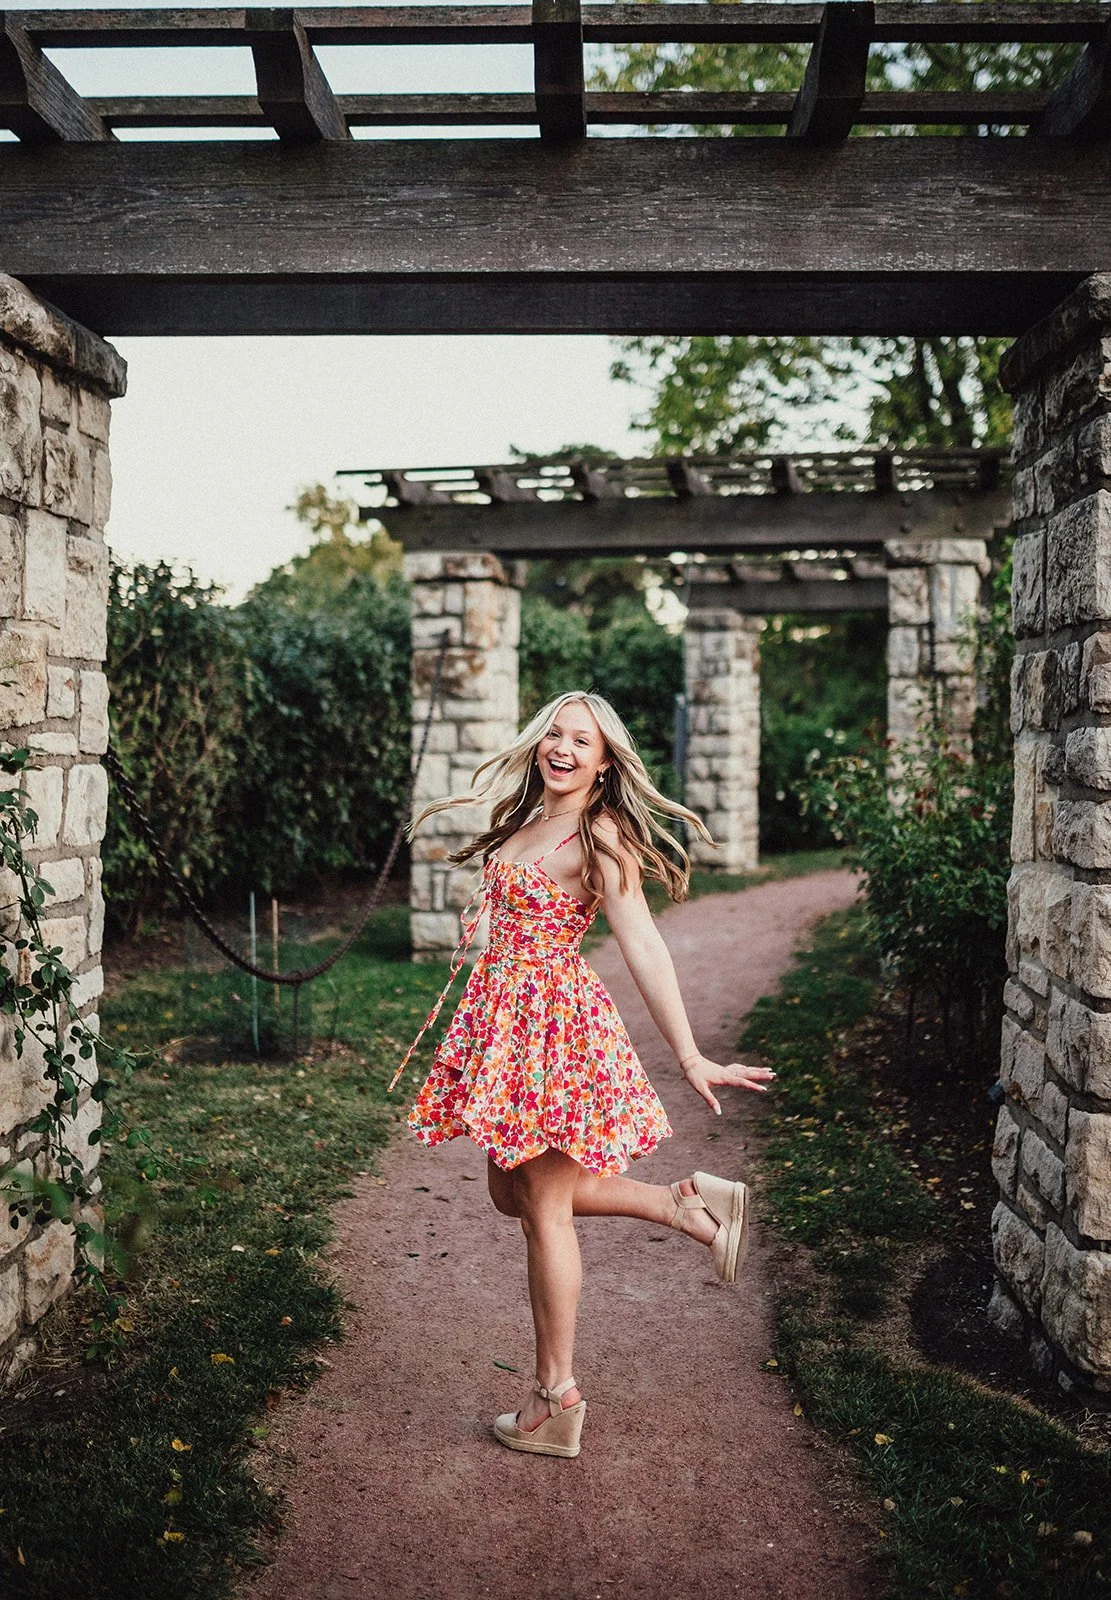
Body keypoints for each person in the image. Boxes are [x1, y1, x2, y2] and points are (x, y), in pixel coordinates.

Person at [391, 691, 774, 1459]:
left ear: (605, 766)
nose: (563, 748)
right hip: (505, 1022)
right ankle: (686, 1205)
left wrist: (691, 1055)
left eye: (582, 741)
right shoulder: (529, 819)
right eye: (555, 734)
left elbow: (643, 946)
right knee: (512, 1193)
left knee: (541, 1208)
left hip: (551, 1034)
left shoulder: (599, 836)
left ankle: (552, 1396)